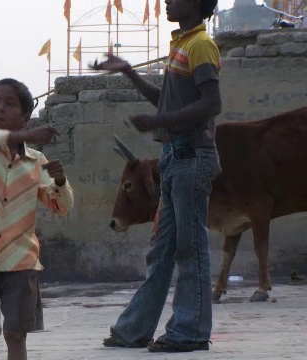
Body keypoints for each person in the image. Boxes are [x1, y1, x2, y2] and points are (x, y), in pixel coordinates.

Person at [93, 0, 222, 353]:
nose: (167, 1)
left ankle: (190, 332)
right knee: (162, 251)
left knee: (189, 248)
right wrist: (130, 73)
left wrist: (158, 123)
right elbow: (166, 102)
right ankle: (133, 330)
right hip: (174, 159)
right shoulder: (181, 44)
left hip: (191, 157)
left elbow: (212, 104)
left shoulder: (200, 45)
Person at [0, 78, 74, 360]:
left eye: (10, 104)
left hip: (20, 261)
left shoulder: (36, 161)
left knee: (15, 334)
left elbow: (61, 206)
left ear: (25, 117)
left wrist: (60, 180)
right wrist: (27, 136)